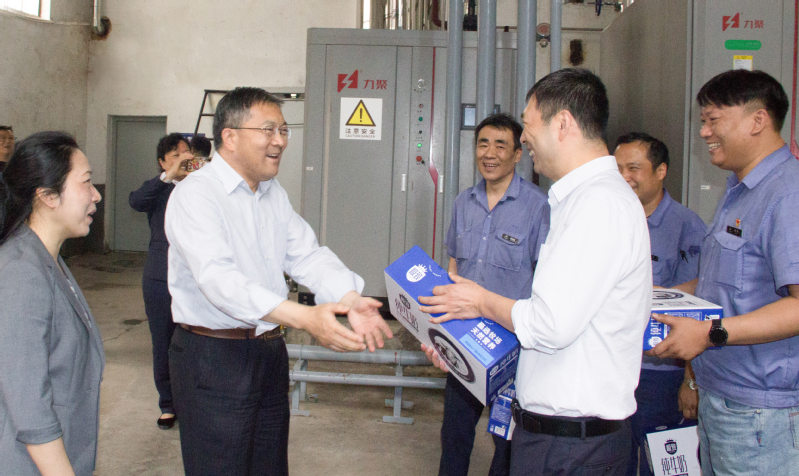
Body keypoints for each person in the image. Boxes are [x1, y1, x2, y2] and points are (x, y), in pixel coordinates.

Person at [420, 68, 651, 476]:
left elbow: (548, 325)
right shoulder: (581, 200)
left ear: (562, 124)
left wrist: (479, 301)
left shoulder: (597, 205)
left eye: (528, 126)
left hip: (572, 448)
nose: (524, 140)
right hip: (560, 439)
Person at [165, 87, 393, 476]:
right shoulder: (196, 195)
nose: (280, 141)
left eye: (284, 130)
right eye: (268, 130)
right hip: (214, 357)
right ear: (230, 136)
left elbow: (307, 255)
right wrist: (305, 318)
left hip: (268, 352)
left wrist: (350, 297)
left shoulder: (272, 194)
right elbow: (220, 281)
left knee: (269, 466)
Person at [648, 69, 799, 475]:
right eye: (703, 121)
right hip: (723, 400)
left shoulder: (788, 194)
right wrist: (655, 299)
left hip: (761, 415)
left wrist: (711, 333)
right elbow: (722, 282)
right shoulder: (739, 191)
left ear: (758, 120)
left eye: (713, 120)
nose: (704, 133)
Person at [439, 113, 549, 476]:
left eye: (500, 145)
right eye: (483, 144)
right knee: (454, 435)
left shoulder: (538, 207)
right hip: (466, 339)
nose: (489, 153)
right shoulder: (463, 202)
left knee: (507, 443)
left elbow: (545, 278)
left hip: (512, 348)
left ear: (517, 154)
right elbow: (453, 264)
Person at [0, 131, 104, 475]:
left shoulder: (49, 261)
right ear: (47, 196)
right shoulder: (21, 272)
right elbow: (30, 407)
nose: (96, 195)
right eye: (85, 182)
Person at [614, 132, 706, 476]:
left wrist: (690, 381)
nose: (624, 177)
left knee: (662, 465)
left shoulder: (687, 226)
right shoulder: (610, 220)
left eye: (633, 168)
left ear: (661, 171)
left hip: (661, 375)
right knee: (616, 462)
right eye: (618, 169)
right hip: (614, 369)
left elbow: (696, 307)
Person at [129, 133, 192, 430]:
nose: (183, 159)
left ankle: (192, 402)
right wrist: (168, 177)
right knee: (163, 342)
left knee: (194, 340)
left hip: (195, 279)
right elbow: (135, 201)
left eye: (187, 153)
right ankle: (167, 404)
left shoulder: (201, 186)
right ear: (162, 162)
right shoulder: (158, 189)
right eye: (175, 155)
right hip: (160, 277)